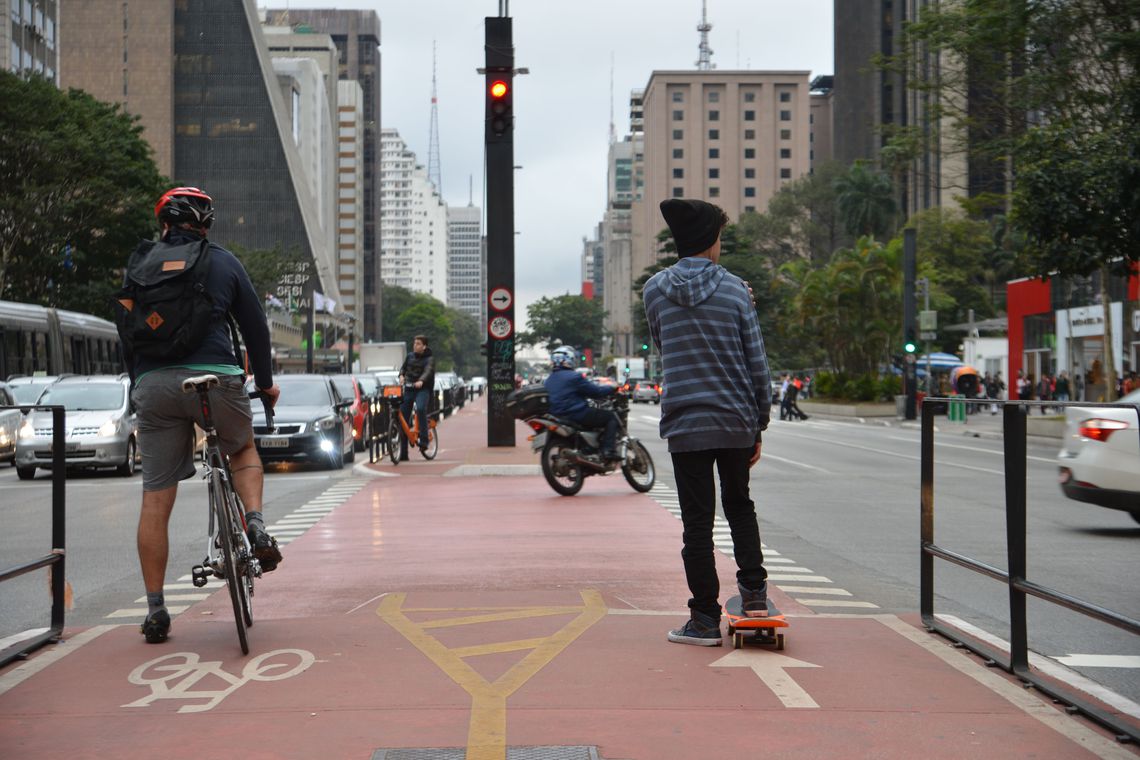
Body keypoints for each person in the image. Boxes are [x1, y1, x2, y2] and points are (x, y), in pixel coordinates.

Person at [125, 187, 281, 645]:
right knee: (243, 447)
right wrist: (266, 382)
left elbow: (126, 332)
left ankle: (155, 610)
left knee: (156, 497)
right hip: (216, 378)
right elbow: (255, 328)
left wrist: (141, 382)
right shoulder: (223, 262)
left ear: (164, 224)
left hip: (153, 383)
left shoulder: (138, 266)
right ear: (205, 225)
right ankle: (254, 522)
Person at [643, 198, 772, 647]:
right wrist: (761, 421)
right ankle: (754, 597)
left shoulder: (654, 291)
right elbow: (756, 361)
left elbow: (663, 345)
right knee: (739, 506)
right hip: (735, 418)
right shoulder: (737, 289)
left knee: (697, 524)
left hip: (685, 423)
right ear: (711, 241)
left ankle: (702, 619)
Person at [543, 346, 621, 461]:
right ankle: (608, 451)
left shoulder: (548, 380)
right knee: (611, 418)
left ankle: (588, 448)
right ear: (569, 359)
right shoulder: (575, 376)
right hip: (577, 414)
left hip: (557, 415)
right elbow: (596, 392)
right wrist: (612, 388)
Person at [398, 335, 436, 454]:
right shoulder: (409, 356)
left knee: (420, 409)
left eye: (418, 343)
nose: (415, 345)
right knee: (402, 417)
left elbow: (428, 371)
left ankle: (424, 441)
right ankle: (403, 452)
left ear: (424, 346)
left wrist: (421, 381)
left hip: (423, 389)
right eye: (414, 343)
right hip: (409, 388)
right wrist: (401, 376)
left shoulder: (430, 359)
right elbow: (403, 369)